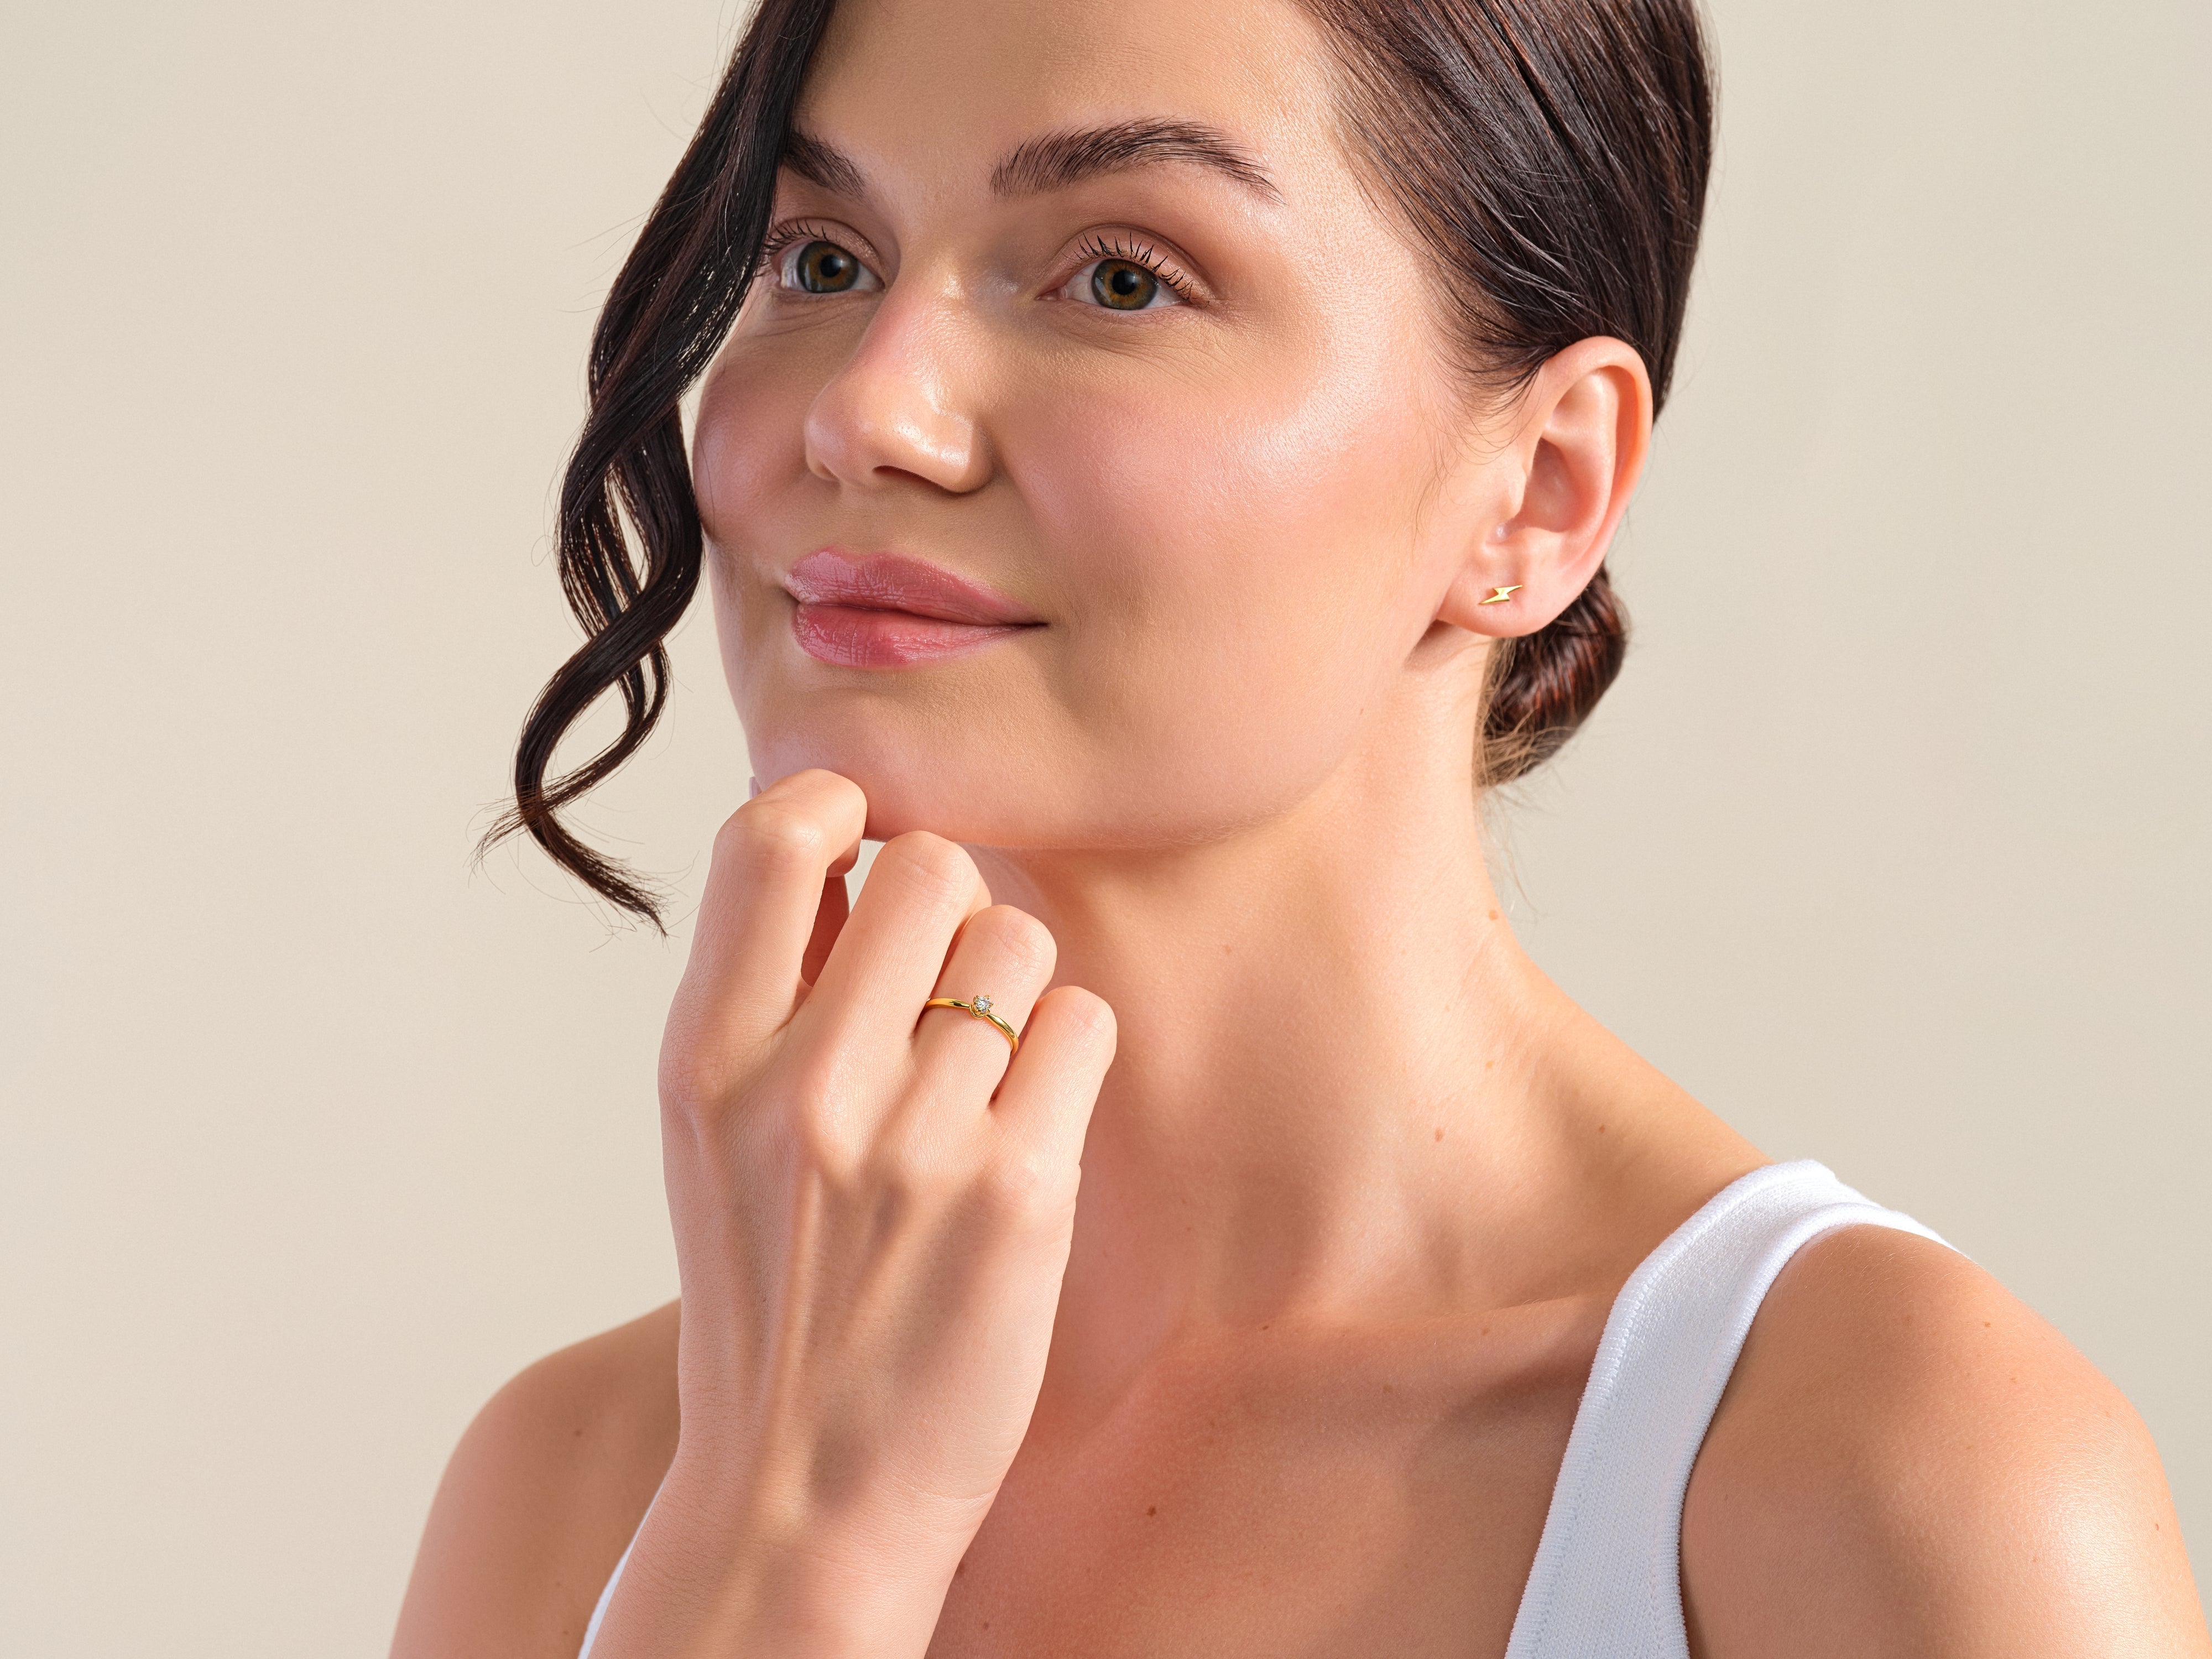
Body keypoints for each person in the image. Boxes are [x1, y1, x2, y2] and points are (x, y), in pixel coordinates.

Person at [390, 0, 2211, 1653]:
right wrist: (783, 1556)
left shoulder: (1880, 1487)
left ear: (1538, 489)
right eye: (822, 254)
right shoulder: (583, 1492)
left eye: (1119, 278)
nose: (870, 410)